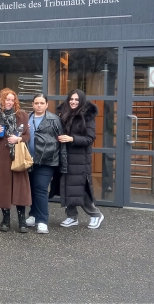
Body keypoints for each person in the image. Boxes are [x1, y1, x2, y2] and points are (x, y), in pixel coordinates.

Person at [56, 89, 104, 229]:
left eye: (77, 100)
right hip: (65, 156)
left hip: (80, 159)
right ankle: (72, 216)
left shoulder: (87, 116)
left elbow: (90, 138)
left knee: (81, 188)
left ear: (81, 101)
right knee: (66, 186)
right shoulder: (63, 114)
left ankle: (96, 214)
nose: (73, 102)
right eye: (71, 99)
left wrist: (72, 138)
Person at [0, 88, 31, 233]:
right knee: (3, 189)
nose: (9, 102)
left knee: (20, 188)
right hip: (0, 157)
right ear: (1, 100)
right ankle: (5, 219)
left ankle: (22, 221)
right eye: (7, 99)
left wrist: (18, 138)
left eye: (12, 99)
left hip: (17, 156)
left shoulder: (22, 115)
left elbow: (27, 136)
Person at [26, 94, 67, 234]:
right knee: (31, 189)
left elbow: (61, 142)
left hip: (47, 161)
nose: (39, 105)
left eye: (41, 103)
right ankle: (32, 214)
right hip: (28, 160)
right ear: (32, 104)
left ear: (47, 105)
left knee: (41, 189)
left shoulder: (54, 119)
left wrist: (62, 162)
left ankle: (42, 221)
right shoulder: (27, 118)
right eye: (36, 103)